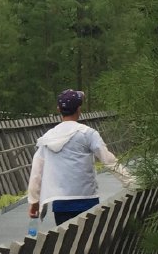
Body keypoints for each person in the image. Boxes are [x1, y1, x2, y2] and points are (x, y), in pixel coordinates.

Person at [27, 89, 129, 227]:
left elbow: (36, 172)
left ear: (59, 109)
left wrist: (34, 201)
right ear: (79, 109)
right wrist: (130, 182)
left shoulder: (48, 137)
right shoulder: (87, 133)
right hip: (87, 199)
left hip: (60, 203)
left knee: (66, 236)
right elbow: (109, 160)